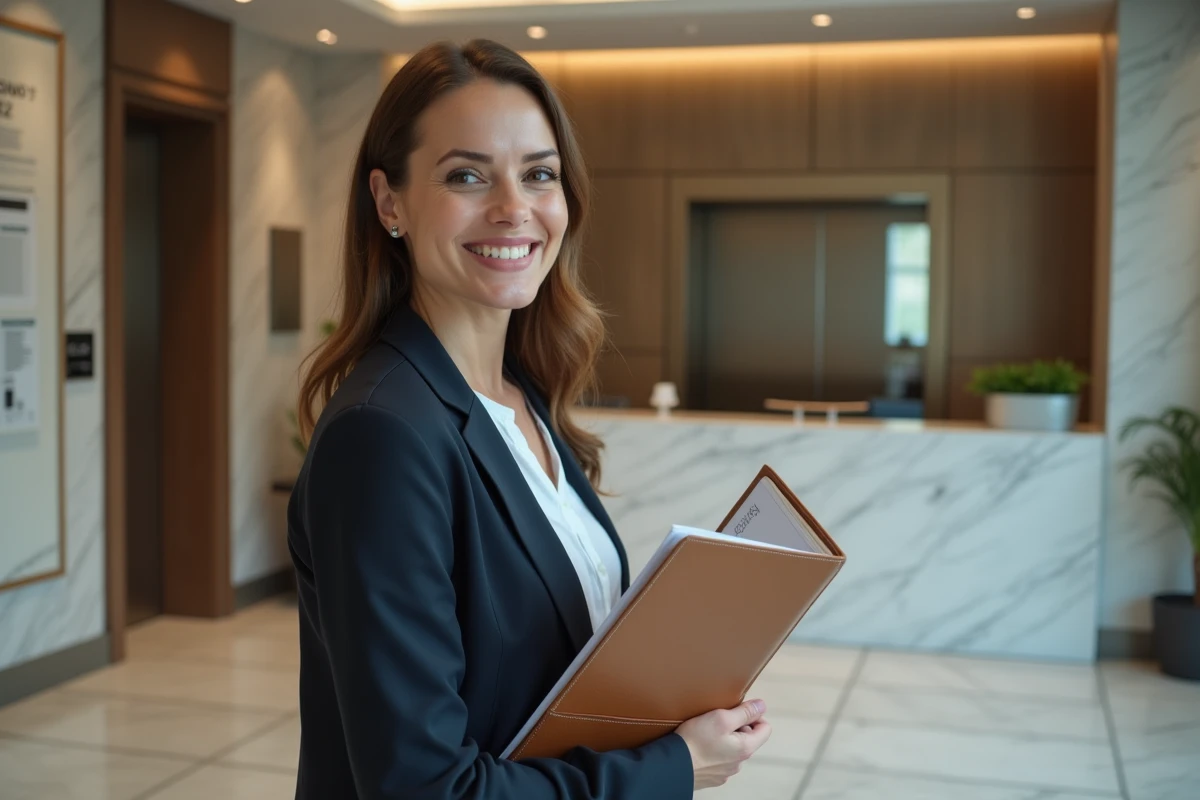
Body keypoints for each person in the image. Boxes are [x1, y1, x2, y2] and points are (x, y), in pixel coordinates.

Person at [289, 39, 772, 799]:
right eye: (467, 175)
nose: (514, 208)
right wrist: (671, 767)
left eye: (539, 174)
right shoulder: (382, 435)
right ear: (389, 202)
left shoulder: (520, 396)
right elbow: (426, 788)